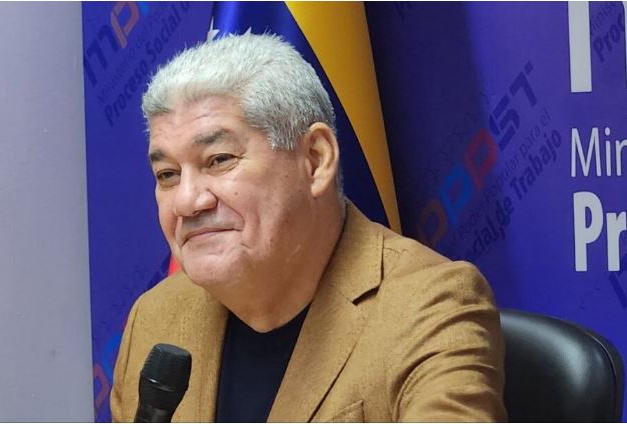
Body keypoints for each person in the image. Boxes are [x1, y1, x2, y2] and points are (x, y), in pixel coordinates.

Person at [111, 33, 506, 422]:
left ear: (315, 160)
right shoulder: (156, 317)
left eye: (219, 160)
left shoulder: (429, 305)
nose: (186, 201)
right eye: (167, 174)